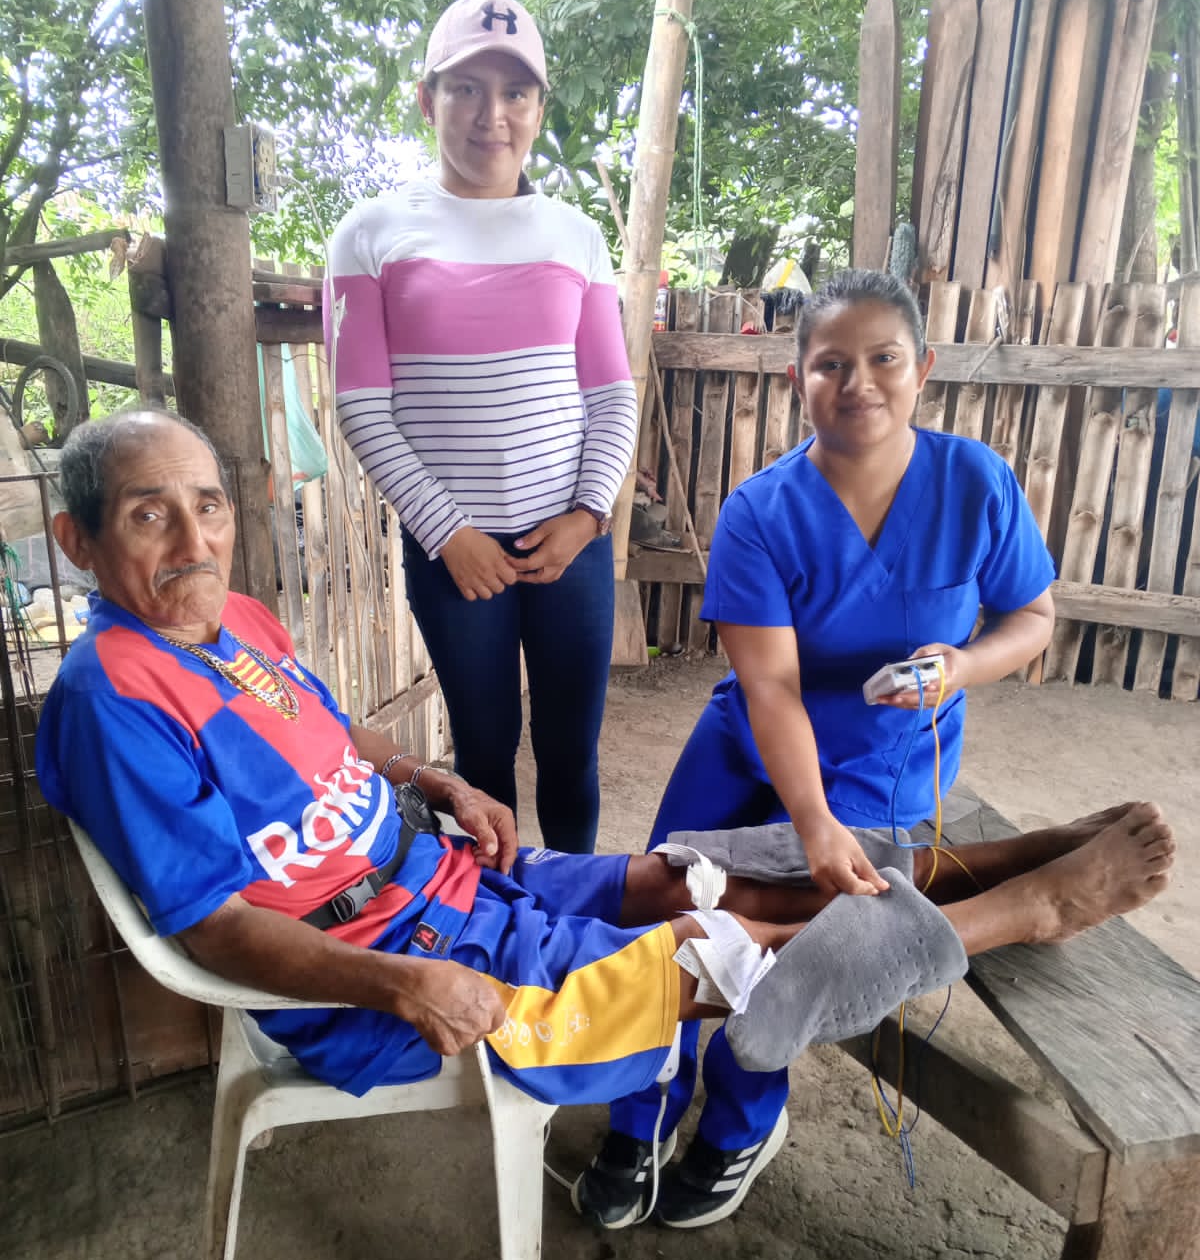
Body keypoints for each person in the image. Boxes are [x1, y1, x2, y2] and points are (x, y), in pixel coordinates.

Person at [34, 410, 1171, 1110]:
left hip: (446, 882)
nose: (195, 541)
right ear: (77, 539)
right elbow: (213, 929)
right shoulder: (112, 696)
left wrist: (440, 781)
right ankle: (1025, 909)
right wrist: (402, 983)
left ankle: (1000, 859)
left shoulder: (236, 623)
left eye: (208, 505)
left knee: (693, 879)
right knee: (731, 952)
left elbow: (341, 740)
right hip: (383, 967)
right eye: (148, 515)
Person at [576, 268, 1059, 1230]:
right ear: (798, 378)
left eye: (884, 359)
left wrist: (963, 665)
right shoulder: (762, 511)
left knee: (793, 941)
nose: (859, 383)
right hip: (751, 742)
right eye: (832, 363)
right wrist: (809, 821)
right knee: (675, 903)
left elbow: (1034, 617)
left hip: (884, 762)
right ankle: (643, 1107)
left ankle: (743, 1120)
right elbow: (772, 688)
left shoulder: (977, 485)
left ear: (923, 368)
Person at [324, 0, 636, 855]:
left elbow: (612, 394)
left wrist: (587, 516)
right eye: (465, 88)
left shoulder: (576, 235)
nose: (491, 114)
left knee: (571, 754)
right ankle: (497, 914)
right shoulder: (370, 234)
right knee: (485, 757)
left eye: (514, 92)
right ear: (428, 101)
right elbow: (362, 407)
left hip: (568, 546)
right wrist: (449, 533)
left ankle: (577, 906)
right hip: (453, 555)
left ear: (538, 107)